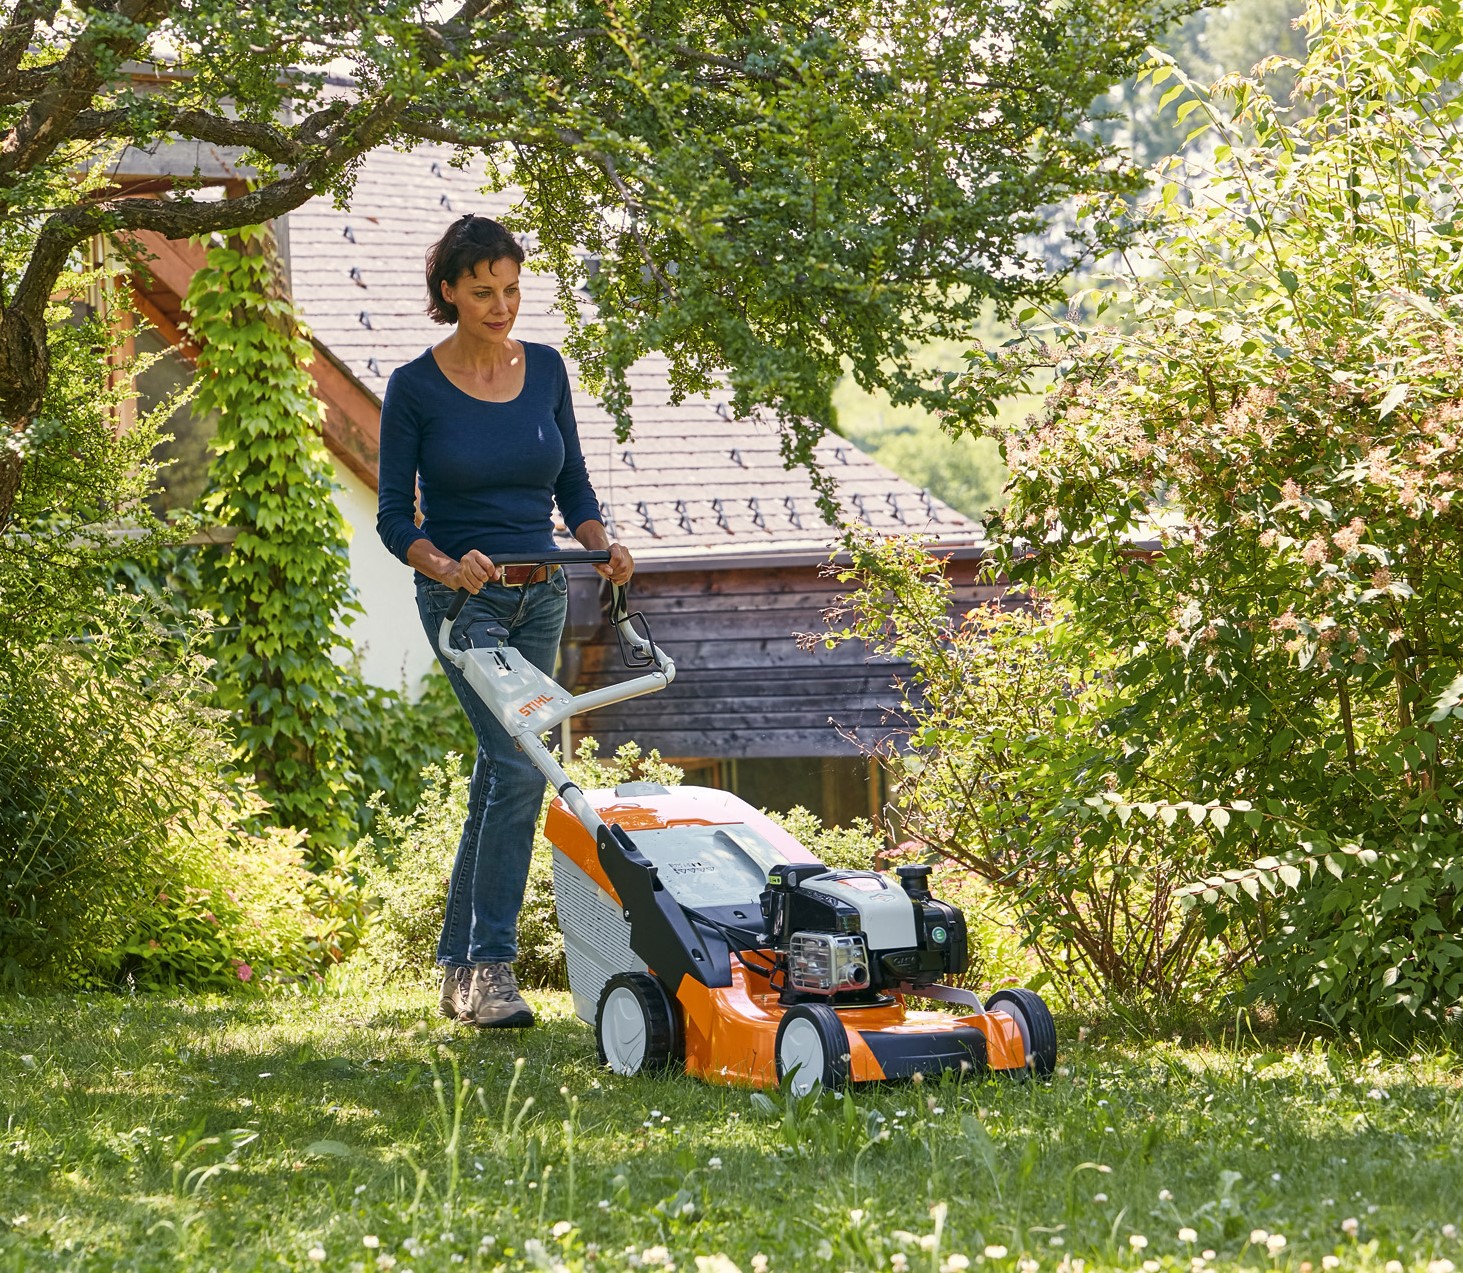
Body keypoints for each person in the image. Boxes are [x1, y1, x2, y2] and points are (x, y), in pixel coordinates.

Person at [376, 214, 633, 1028]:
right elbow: (392, 519)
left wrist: (601, 543)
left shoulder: (547, 369)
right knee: (522, 764)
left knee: (501, 771)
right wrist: (449, 565)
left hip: (544, 594)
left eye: (512, 289)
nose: (501, 305)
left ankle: (458, 967)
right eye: (483, 290)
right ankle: (492, 969)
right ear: (448, 292)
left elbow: (575, 487)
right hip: (464, 605)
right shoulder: (414, 388)